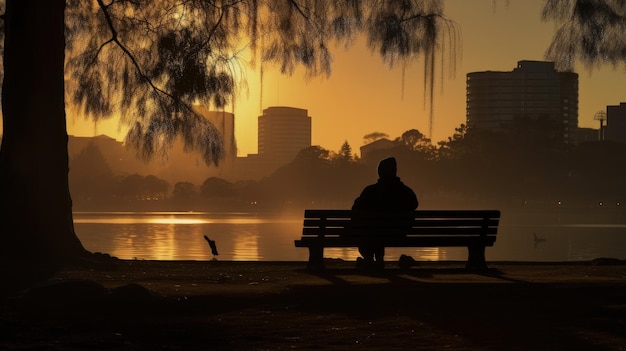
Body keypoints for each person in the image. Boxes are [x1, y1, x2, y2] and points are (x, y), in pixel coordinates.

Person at [351, 157, 418, 268]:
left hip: (372, 233)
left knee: (366, 231)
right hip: (398, 233)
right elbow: (414, 205)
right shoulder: (405, 192)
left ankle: (369, 260)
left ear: (380, 173)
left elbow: (355, 211)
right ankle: (376, 261)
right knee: (375, 231)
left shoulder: (371, 191)